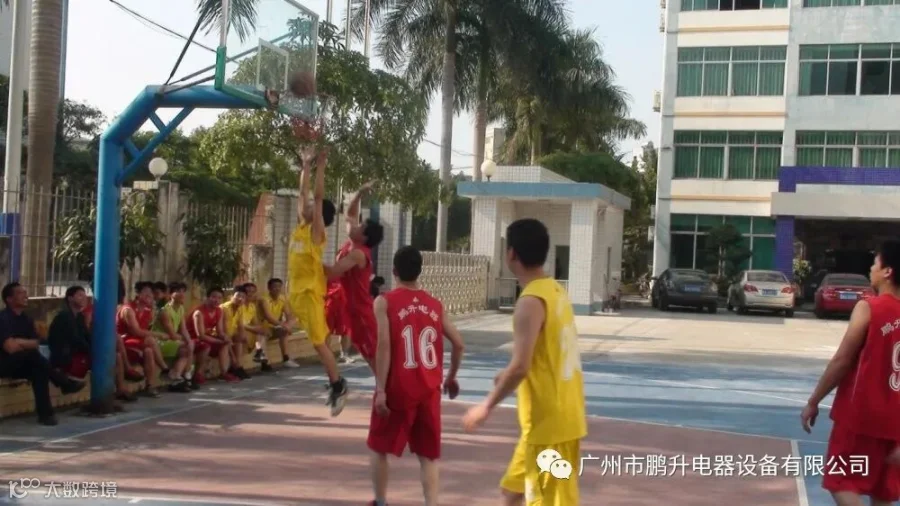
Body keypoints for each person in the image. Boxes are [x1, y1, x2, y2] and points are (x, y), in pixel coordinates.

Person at [462, 218, 587, 506]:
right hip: (548, 420)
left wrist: (486, 406)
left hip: (549, 425)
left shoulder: (529, 302)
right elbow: (541, 353)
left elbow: (521, 367)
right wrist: (508, 373)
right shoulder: (554, 290)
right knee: (512, 492)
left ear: (511, 254)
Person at [802, 239, 900, 506]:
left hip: (861, 415)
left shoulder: (870, 308)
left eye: (875, 263)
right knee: (882, 492)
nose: (871, 269)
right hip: (896, 420)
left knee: (840, 481)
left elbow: (842, 360)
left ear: (887, 271)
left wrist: (814, 400)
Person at [368, 246, 465, 506]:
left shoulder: (385, 302)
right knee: (428, 455)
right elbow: (459, 344)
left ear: (394, 271)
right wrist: (451, 376)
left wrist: (381, 389)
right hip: (429, 391)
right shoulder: (435, 305)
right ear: (420, 270)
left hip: (398, 389)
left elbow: (384, 345)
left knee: (379, 447)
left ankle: (380, 501)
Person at [287, 146, 347, 415]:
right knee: (317, 341)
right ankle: (336, 382)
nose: (309, 206)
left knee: (318, 344)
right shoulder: (301, 226)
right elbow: (303, 194)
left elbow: (318, 196)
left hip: (310, 294)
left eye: (314, 207)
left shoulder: (316, 233)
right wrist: (306, 164)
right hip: (296, 293)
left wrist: (321, 167)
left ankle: (338, 385)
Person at [0, 282, 84, 425]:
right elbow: (10, 348)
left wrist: (19, 342)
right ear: (9, 299)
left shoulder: (26, 319)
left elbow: (35, 343)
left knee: (39, 370)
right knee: (34, 358)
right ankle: (63, 382)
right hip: (4, 363)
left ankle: (46, 415)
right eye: (20, 293)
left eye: (25, 292)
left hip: (23, 362)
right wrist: (23, 344)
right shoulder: (3, 319)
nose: (25, 296)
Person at [326, 180, 384, 373]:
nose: (355, 225)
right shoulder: (353, 242)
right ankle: (385, 387)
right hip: (349, 308)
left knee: (374, 357)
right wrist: (360, 192)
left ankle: (387, 388)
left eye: (360, 226)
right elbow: (349, 215)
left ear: (364, 237)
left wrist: (308, 260)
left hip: (360, 311)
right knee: (369, 355)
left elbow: (333, 272)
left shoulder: (359, 253)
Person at [48, 285, 136, 402]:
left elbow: (86, 336)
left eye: (85, 295)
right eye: (80, 295)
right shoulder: (64, 316)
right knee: (105, 358)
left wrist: (99, 348)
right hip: (66, 357)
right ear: (70, 298)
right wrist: (94, 351)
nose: (84, 298)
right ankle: (103, 397)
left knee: (116, 356)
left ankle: (120, 389)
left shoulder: (79, 316)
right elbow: (75, 341)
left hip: (78, 353)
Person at [119, 281, 168, 397]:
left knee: (149, 351)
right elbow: (136, 331)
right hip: (124, 343)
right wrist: (158, 335)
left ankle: (149, 386)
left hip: (137, 343)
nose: (149, 295)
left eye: (151, 293)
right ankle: (165, 368)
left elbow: (144, 330)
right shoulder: (128, 309)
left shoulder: (148, 310)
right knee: (150, 340)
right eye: (146, 292)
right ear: (138, 294)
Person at [151, 282, 195, 392]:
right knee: (185, 349)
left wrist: (189, 341)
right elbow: (172, 334)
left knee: (190, 345)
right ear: (170, 294)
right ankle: (177, 377)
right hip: (160, 341)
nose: (182, 294)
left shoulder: (181, 308)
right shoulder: (165, 311)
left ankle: (180, 377)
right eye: (178, 291)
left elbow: (183, 329)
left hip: (171, 340)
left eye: (183, 291)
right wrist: (185, 341)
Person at [186, 288, 229, 385]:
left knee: (225, 344)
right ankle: (198, 373)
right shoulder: (199, 313)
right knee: (206, 346)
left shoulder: (219, 311)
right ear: (207, 298)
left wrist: (225, 337)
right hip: (192, 339)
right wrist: (218, 341)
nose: (216, 300)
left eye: (219, 298)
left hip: (207, 337)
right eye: (214, 297)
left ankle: (224, 373)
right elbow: (200, 336)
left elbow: (220, 331)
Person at [257, 277, 300, 371]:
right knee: (262, 336)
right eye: (275, 287)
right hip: (262, 328)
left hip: (274, 327)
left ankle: (286, 359)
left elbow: (288, 314)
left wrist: (288, 325)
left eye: (279, 286)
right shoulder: (264, 299)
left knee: (286, 329)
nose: (277, 289)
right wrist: (284, 326)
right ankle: (264, 363)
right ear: (269, 288)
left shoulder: (282, 298)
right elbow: (268, 317)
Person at [220, 286, 251, 380]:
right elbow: (224, 332)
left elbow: (241, 326)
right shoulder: (224, 308)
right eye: (238, 296)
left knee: (241, 338)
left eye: (243, 297)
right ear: (231, 297)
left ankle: (237, 366)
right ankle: (235, 366)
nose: (240, 299)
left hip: (230, 334)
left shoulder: (240, 308)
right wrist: (232, 356)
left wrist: (245, 338)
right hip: (220, 335)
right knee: (229, 341)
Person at [325, 279, 353, 364]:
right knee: (326, 330)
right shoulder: (326, 273)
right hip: (329, 303)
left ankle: (344, 355)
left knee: (346, 330)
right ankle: (326, 356)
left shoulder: (347, 274)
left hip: (344, 304)